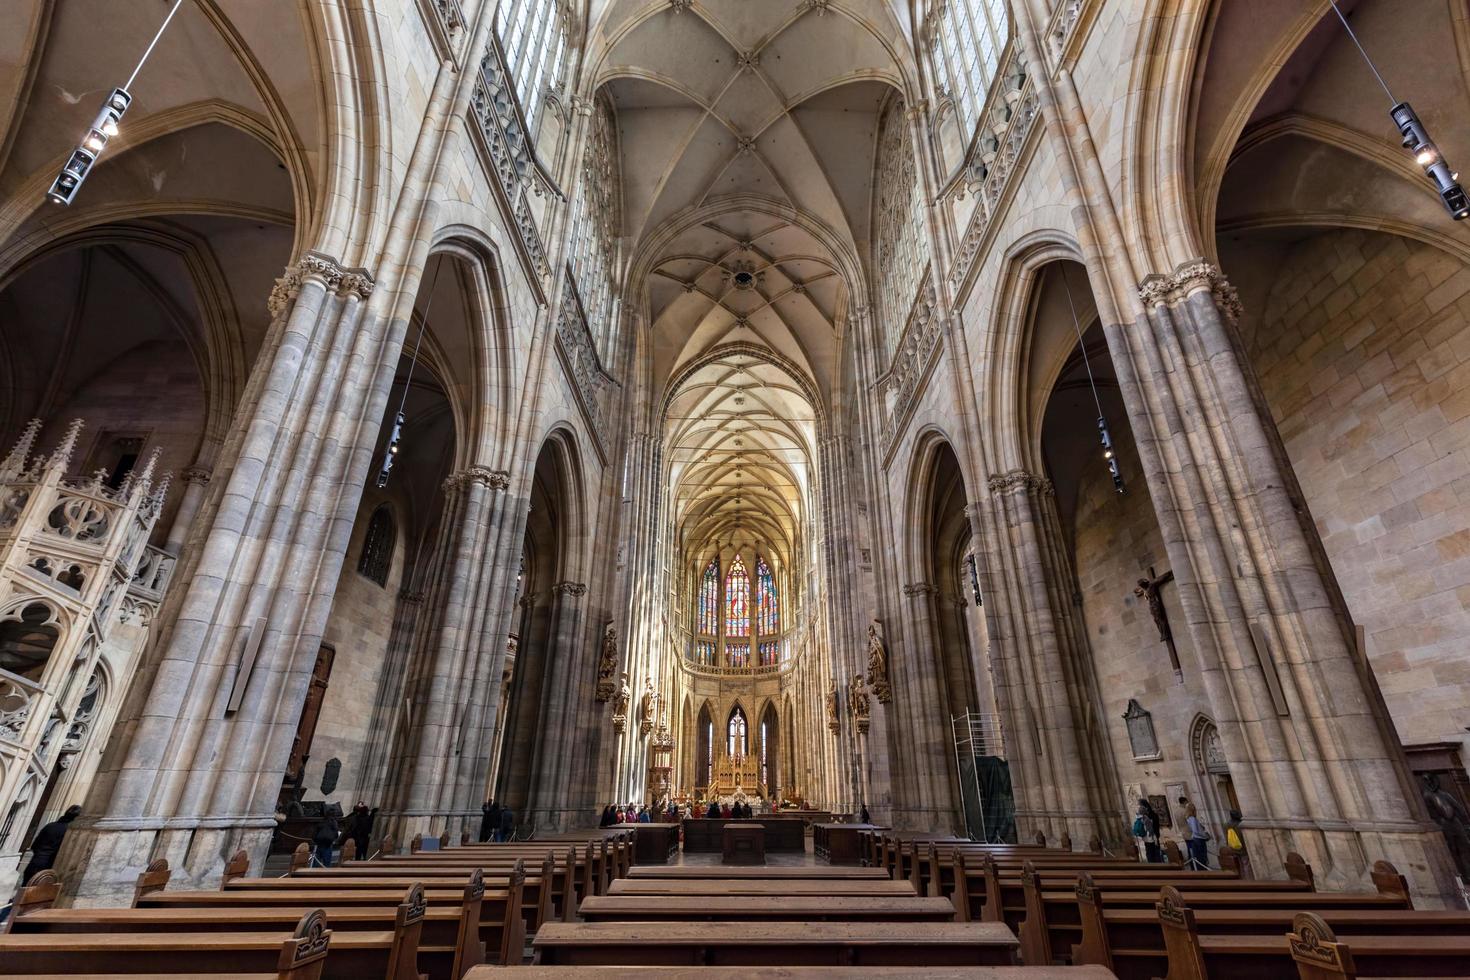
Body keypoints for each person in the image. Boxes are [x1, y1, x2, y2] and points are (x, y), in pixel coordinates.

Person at [20, 804, 81, 884]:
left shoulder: (50, 826)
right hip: (49, 870)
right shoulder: (69, 831)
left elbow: (34, 845)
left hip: (34, 864)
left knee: (24, 891)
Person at [1132, 799, 1162, 863]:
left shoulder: (1140, 817)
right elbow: (1154, 828)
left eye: (1139, 805)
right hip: (1152, 838)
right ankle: (1158, 869)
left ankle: (1152, 869)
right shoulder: (1150, 816)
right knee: (1155, 854)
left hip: (1146, 838)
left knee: (1149, 854)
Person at [1182, 803, 1210, 869]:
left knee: (1199, 857)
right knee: (1202, 858)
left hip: (1195, 839)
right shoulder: (1192, 819)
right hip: (1199, 839)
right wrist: (1205, 835)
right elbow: (1195, 831)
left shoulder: (1189, 818)